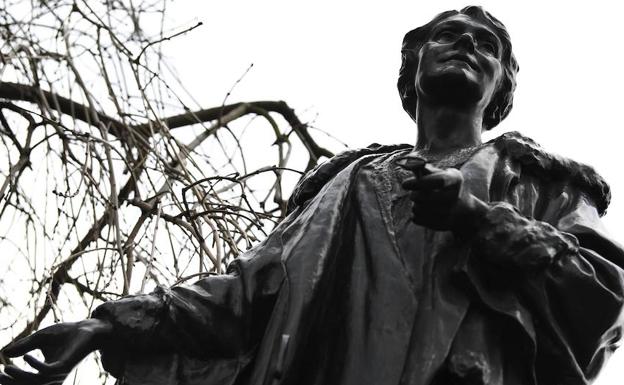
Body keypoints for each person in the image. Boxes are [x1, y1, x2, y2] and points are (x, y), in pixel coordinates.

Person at [2, 5, 623, 385]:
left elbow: (606, 296)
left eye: (487, 47)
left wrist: (480, 220)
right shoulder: (345, 186)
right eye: (450, 35)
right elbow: (248, 295)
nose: (467, 45)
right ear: (412, 71)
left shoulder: (544, 182)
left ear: (500, 87)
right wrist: (105, 325)